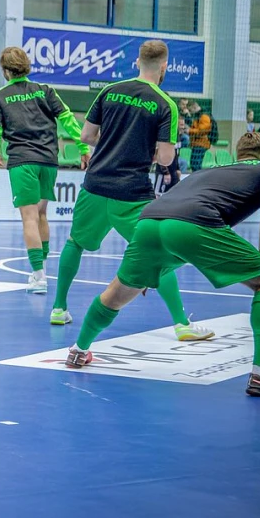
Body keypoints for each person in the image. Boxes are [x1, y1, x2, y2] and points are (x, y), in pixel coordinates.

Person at [66, 132, 260, 398]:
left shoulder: (209, 171)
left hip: (148, 221)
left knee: (117, 293)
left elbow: (175, 223)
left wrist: (157, 267)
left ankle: (78, 350)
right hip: (194, 221)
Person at [50, 40, 212, 341]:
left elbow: (86, 136)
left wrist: (114, 143)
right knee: (156, 252)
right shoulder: (165, 104)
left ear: (137, 62)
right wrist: (142, 150)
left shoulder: (109, 91)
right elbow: (166, 158)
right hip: (132, 192)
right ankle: (181, 324)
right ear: (164, 67)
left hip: (96, 185)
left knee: (75, 242)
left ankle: (59, 308)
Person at [0, 46, 88, 294]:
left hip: (23, 161)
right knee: (42, 214)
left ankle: (38, 276)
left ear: (5, 70)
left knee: (29, 217)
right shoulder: (45, 90)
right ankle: (41, 269)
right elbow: (68, 118)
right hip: (48, 160)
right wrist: (83, 147)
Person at [186, 100, 213, 171]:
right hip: (198, 143)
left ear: (194, 107)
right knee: (194, 164)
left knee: (195, 164)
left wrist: (190, 131)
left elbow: (202, 130)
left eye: (190, 110)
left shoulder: (204, 116)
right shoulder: (199, 116)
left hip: (201, 144)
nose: (190, 112)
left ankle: (198, 177)